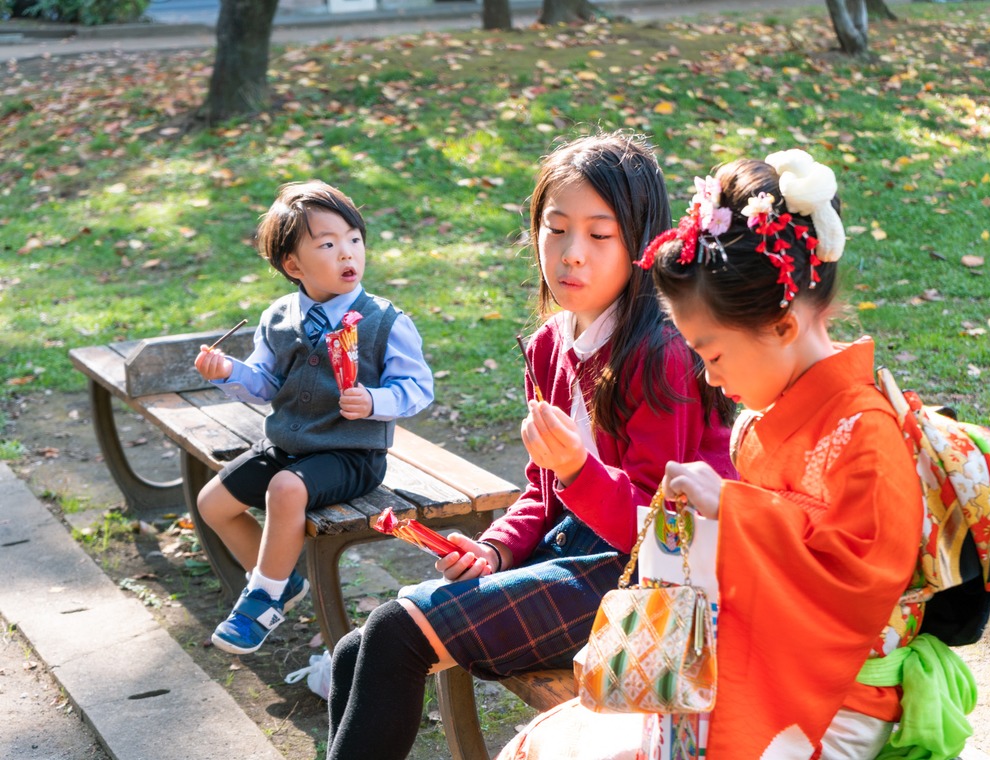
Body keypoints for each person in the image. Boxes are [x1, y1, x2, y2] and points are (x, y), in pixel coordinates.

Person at [325, 132, 738, 760]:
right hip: (574, 552)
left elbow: (657, 531)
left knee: (392, 633)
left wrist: (576, 468)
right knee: (356, 649)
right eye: (556, 229)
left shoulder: (661, 353)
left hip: (647, 581)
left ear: (641, 244)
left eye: (600, 235)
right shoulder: (549, 344)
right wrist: (494, 548)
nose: (572, 254)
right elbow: (542, 493)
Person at [644, 150, 974, 759]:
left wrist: (735, 510)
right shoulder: (770, 416)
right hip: (773, 667)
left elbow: (855, 584)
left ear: (783, 327)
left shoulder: (866, 432)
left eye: (712, 354)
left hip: (843, 701)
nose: (709, 378)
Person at [193, 180, 434, 656]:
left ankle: (262, 602)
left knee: (286, 490)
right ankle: (280, 581)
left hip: (351, 454)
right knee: (212, 503)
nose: (347, 253)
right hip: (287, 446)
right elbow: (266, 382)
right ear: (293, 265)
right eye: (327, 244)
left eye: (354, 239)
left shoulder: (385, 321)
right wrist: (228, 372)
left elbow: (419, 388)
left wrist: (375, 401)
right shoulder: (278, 317)